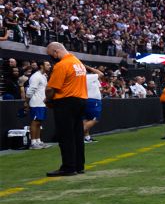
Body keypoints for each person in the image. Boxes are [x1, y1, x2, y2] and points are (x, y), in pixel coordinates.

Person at [43, 42, 87, 177]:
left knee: (65, 135)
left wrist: (48, 100)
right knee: (77, 134)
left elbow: (51, 88)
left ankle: (68, 167)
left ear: (56, 52)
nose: (52, 58)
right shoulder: (77, 62)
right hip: (80, 100)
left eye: (51, 55)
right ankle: (79, 165)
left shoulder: (61, 65)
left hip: (66, 102)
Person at [24, 60, 49, 149]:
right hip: (35, 103)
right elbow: (30, 90)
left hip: (42, 103)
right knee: (35, 122)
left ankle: (38, 141)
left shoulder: (43, 76)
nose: (49, 66)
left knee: (39, 122)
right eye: (47, 65)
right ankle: (33, 143)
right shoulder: (36, 77)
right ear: (41, 66)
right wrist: (26, 102)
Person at [83, 65, 105, 143]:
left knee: (86, 119)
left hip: (85, 99)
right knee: (95, 119)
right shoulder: (90, 76)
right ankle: (77, 134)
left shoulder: (86, 78)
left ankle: (87, 138)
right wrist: (89, 67)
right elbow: (101, 74)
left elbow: (100, 88)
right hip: (93, 100)